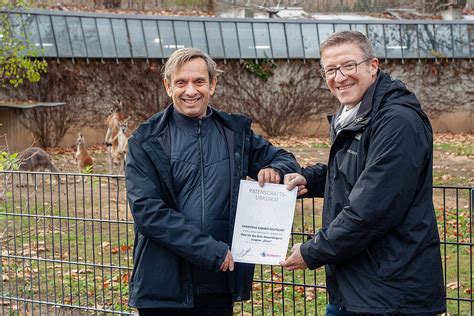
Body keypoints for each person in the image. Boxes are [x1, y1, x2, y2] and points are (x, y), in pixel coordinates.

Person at [125, 47, 300, 315]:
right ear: (168, 86)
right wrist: (210, 251)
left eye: (199, 81)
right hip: (163, 286)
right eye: (181, 82)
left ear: (213, 85)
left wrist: (276, 168)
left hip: (218, 284)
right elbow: (148, 212)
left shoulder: (234, 132)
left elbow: (285, 158)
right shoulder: (146, 140)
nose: (190, 91)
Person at [281, 31, 445, 315]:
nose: (340, 76)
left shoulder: (397, 121)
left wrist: (311, 252)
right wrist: (311, 178)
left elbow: (371, 210)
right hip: (356, 288)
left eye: (348, 65)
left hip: (392, 294)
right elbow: (357, 171)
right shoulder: (357, 113)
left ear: (373, 66)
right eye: (330, 69)